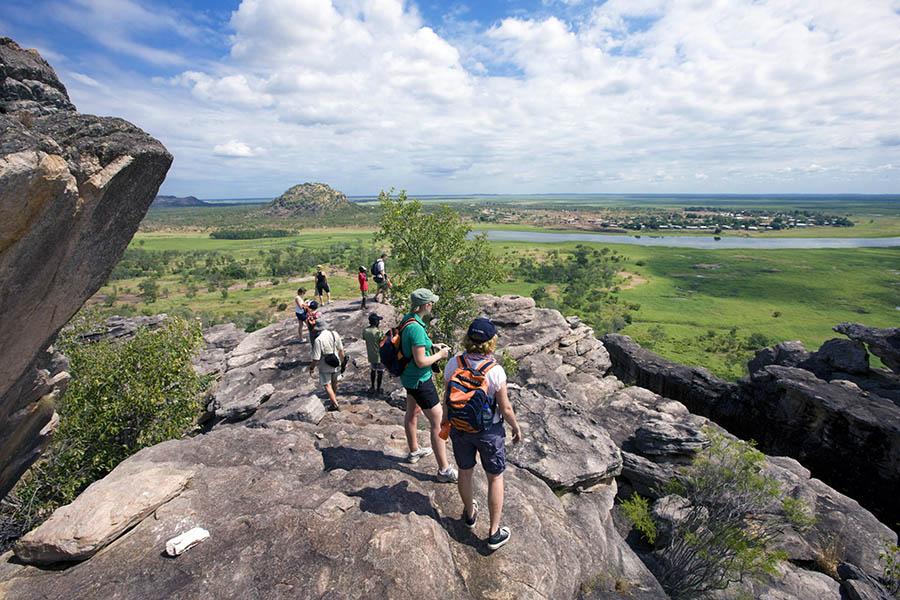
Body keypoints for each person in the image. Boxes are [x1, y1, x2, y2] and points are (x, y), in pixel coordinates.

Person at [443, 317, 522, 552]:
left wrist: (446, 424)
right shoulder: (495, 371)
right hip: (489, 431)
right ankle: (494, 532)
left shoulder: (453, 364)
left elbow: (447, 398)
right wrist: (516, 428)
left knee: (465, 473)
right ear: (491, 342)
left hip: (460, 428)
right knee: (495, 478)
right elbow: (505, 407)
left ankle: (469, 514)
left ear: (468, 338)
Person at [400, 288, 457, 483]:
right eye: (431, 302)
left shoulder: (409, 319)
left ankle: (414, 451)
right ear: (425, 305)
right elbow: (421, 361)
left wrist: (433, 346)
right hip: (420, 381)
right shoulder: (415, 327)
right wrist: (440, 355)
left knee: (412, 413)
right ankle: (444, 470)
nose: (432, 305)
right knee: (438, 423)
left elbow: (415, 348)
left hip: (409, 378)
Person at [309, 319, 344, 411]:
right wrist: (342, 361)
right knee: (334, 382)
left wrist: (312, 368)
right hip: (336, 361)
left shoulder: (318, 340)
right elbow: (341, 349)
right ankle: (334, 398)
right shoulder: (334, 334)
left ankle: (335, 404)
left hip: (325, 364)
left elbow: (316, 358)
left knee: (327, 385)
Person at [362, 312, 385, 396]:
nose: (379, 322)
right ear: (376, 322)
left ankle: (372, 387)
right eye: (378, 321)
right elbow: (382, 343)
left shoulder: (366, 330)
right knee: (380, 372)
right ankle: (378, 389)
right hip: (379, 356)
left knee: (373, 370)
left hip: (371, 355)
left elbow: (364, 338)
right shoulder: (379, 332)